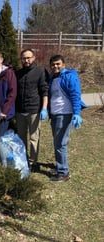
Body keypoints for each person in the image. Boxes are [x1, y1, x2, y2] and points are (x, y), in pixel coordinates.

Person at [48, 54, 87, 182]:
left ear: (63, 64)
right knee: (57, 142)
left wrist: (77, 113)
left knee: (61, 144)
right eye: (53, 64)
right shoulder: (52, 78)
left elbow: (76, 95)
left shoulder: (70, 76)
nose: (55, 66)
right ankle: (60, 166)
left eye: (58, 64)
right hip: (54, 114)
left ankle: (63, 172)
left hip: (65, 114)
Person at [15, 48, 49, 172]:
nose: (26, 60)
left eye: (28, 57)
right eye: (24, 58)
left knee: (34, 138)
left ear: (33, 58)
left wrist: (44, 108)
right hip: (20, 111)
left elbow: (44, 91)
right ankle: (23, 159)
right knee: (21, 138)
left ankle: (33, 162)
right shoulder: (18, 73)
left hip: (34, 110)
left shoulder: (40, 71)